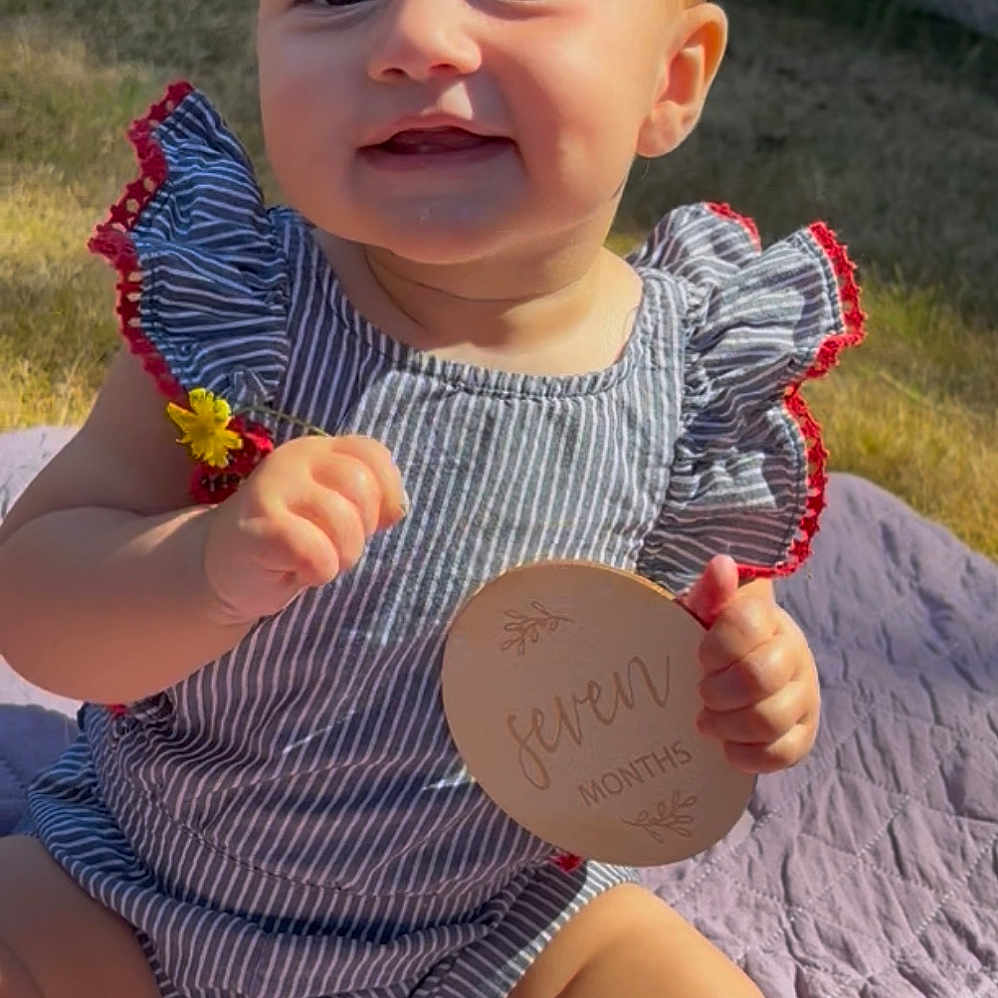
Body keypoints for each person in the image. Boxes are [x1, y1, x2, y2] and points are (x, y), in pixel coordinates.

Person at [0, 0, 866, 995]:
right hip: (136, 882)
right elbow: (33, 598)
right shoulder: (244, 306)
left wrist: (746, 684)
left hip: (502, 925)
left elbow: (656, 670)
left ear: (668, 79)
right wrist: (200, 569)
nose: (414, 41)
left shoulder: (685, 379)